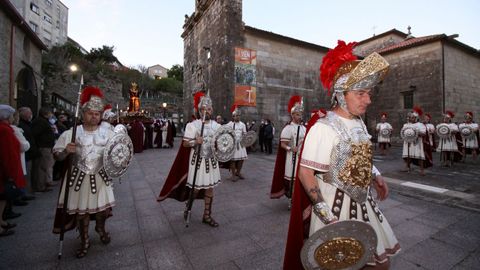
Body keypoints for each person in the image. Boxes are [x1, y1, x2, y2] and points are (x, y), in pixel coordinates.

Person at [284, 41, 400, 269]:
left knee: (380, 264)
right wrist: (325, 212)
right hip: (335, 210)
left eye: (368, 93)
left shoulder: (359, 124)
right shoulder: (323, 128)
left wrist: (375, 175)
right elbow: (306, 172)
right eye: (361, 93)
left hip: (364, 205)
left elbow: (361, 155)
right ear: (340, 95)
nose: (368, 99)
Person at [52, 86, 117, 258]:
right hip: (78, 178)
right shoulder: (71, 133)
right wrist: (66, 151)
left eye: (97, 113)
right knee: (83, 212)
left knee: (102, 209)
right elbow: (57, 156)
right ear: (83, 114)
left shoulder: (108, 132)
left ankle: (101, 228)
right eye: (90, 113)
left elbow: (118, 153)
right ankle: (84, 239)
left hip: (101, 176)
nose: (94, 116)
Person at [158, 91, 222, 227]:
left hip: (211, 162)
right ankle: (188, 206)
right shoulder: (193, 125)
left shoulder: (218, 126)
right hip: (197, 162)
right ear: (199, 111)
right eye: (203, 109)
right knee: (196, 189)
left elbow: (222, 143)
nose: (206, 111)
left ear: (212, 110)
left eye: (209, 109)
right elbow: (186, 143)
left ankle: (207, 215)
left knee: (210, 188)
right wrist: (195, 141)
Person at [270, 95, 306, 207]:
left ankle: (299, 199)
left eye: (300, 114)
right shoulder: (288, 128)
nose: (299, 116)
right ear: (292, 115)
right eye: (297, 114)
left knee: (302, 179)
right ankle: (291, 200)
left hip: (303, 157)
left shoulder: (304, 128)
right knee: (293, 180)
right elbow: (283, 144)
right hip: (292, 158)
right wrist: (291, 148)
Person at [0, 105, 27, 237]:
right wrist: (10, 173)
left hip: (6, 167)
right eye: (11, 116)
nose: (12, 118)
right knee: (2, 196)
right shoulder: (4, 130)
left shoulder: (6, 129)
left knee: (3, 197)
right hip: (4, 169)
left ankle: (1, 221)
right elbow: (7, 153)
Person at [31, 107, 56, 192]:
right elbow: (35, 134)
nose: (51, 115)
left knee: (45, 167)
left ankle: (43, 184)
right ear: (46, 113)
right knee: (42, 167)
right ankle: (40, 186)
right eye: (50, 113)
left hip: (46, 146)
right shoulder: (41, 122)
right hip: (43, 147)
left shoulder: (43, 121)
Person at [18, 107, 39, 200]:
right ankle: (24, 193)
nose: (31, 115)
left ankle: (28, 191)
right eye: (29, 113)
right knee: (26, 174)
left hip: (30, 153)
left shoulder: (28, 124)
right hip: (27, 153)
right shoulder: (21, 125)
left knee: (29, 173)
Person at [401, 107, 427, 175]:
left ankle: (422, 170)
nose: (410, 118)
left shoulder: (420, 125)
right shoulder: (406, 125)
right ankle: (407, 167)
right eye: (410, 117)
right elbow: (403, 132)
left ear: (416, 118)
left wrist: (417, 132)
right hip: (408, 142)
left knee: (419, 156)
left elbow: (424, 133)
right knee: (408, 156)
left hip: (417, 143)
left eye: (412, 117)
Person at [225, 105, 248, 181]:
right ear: (233, 117)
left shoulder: (243, 124)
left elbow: (245, 134)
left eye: (238, 116)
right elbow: (225, 132)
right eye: (235, 116)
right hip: (232, 144)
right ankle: (233, 175)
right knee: (233, 160)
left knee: (241, 159)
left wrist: (245, 140)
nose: (237, 117)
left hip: (241, 144)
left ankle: (238, 172)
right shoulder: (230, 124)